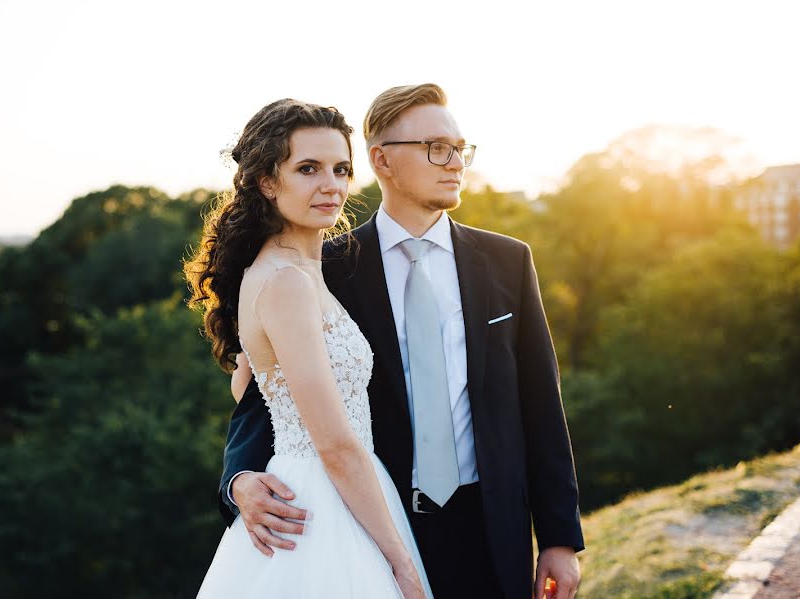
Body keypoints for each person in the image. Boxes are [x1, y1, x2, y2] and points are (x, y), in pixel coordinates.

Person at [221, 84, 585, 599]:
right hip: (375, 526)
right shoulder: (322, 270)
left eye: (460, 148)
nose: (454, 161)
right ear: (382, 160)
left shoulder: (508, 262)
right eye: (436, 147)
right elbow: (266, 402)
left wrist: (559, 537)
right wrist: (239, 482)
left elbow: (542, 405)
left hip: (492, 524)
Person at [186, 98, 432, 598]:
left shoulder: (297, 270)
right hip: (321, 507)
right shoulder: (285, 283)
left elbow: (252, 390)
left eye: (341, 169)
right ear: (266, 181)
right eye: (308, 169)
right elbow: (334, 443)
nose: (332, 185)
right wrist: (401, 564)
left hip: (340, 488)